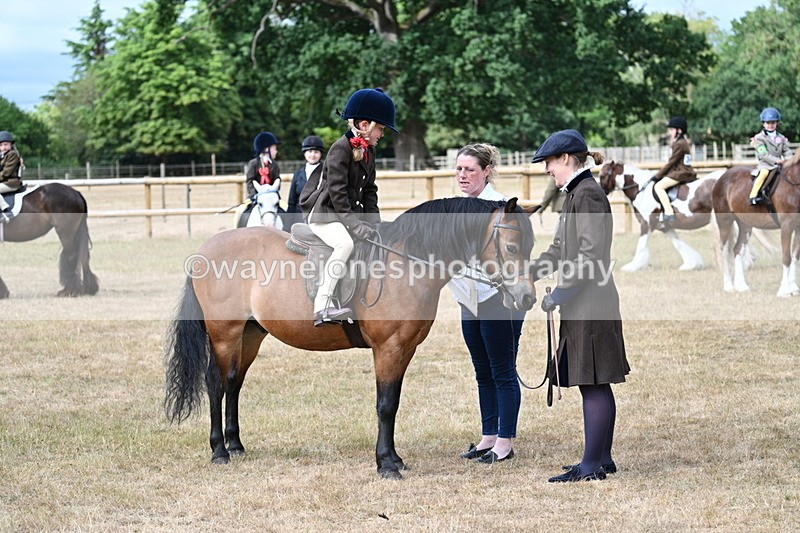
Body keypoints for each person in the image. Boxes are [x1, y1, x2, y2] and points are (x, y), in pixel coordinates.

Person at [528, 129, 629, 483]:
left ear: (568, 159)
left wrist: (560, 294)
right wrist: (530, 271)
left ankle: (592, 465)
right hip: (585, 301)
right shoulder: (575, 193)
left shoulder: (587, 194)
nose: (547, 170)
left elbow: (589, 256)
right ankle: (600, 459)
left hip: (591, 302)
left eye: (550, 162)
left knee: (593, 380)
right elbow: (559, 250)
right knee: (595, 382)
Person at [450, 143, 526, 465]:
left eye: (470, 170)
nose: (462, 176)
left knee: (502, 371)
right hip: (469, 299)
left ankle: (505, 442)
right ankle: (488, 436)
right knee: (482, 371)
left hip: (499, 298)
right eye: (458, 169)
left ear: (486, 171)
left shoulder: (503, 209)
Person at [298, 88, 397, 326]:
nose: (382, 135)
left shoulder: (369, 150)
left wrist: (375, 224)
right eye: (381, 129)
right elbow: (337, 192)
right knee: (345, 244)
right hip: (325, 214)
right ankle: (322, 304)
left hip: (346, 214)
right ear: (365, 124)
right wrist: (355, 226)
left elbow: (370, 190)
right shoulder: (340, 148)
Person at [652, 117, 696, 225]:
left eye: (672, 130)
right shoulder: (682, 142)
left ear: (679, 131)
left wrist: (657, 176)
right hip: (683, 171)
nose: (670, 132)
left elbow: (671, 162)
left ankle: (669, 212)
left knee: (658, 186)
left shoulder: (680, 144)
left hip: (682, 173)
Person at [749, 107, 793, 205]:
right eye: (768, 123)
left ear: (777, 123)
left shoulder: (781, 138)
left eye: (773, 123)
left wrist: (789, 159)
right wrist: (777, 160)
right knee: (764, 173)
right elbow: (763, 154)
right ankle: (753, 196)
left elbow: (786, 151)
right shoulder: (759, 138)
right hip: (766, 164)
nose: (770, 125)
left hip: (780, 164)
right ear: (763, 123)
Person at [287, 135, 325, 228]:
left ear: (320, 154)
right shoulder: (298, 174)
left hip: (319, 217)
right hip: (299, 218)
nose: (312, 155)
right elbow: (292, 201)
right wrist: (287, 225)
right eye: (310, 151)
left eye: (316, 152)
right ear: (304, 153)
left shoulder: (326, 172)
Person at [245, 131, 282, 198]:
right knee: (243, 208)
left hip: (272, 195)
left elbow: (277, 180)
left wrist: (273, 192)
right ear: (266, 149)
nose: (276, 151)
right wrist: (254, 195)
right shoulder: (253, 163)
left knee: (285, 207)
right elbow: (250, 181)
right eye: (274, 149)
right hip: (256, 196)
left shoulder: (274, 165)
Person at [0, 131, 23, 223]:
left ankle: (6, 210)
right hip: (4, 182)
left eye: (6, 144)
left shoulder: (12, 155)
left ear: (10, 145)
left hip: (12, 183)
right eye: (1, 145)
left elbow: (6, 173)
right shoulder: (2, 156)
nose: (3, 147)